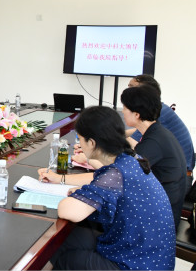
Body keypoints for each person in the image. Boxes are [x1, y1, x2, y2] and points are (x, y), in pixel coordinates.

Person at [39, 106, 175, 270]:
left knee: (66, 257)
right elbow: (104, 175)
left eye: (80, 139)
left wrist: (79, 194)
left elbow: (67, 211)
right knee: (68, 239)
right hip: (149, 255)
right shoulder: (131, 159)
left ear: (91, 143)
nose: (79, 143)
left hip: (136, 265)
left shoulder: (116, 174)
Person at [121, 85, 186, 230]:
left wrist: (90, 158)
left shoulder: (153, 142)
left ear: (137, 114)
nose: (123, 111)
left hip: (159, 220)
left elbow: (120, 175)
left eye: (125, 107)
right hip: (163, 208)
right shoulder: (157, 132)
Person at [126, 74, 194, 173]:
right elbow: (138, 131)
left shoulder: (160, 113)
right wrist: (118, 132)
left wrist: (108, 137)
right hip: (175, 172)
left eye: (132, 88)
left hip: (177, 174)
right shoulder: (160, 109)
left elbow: (132, 144)